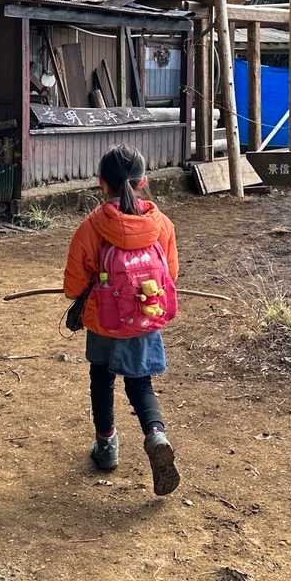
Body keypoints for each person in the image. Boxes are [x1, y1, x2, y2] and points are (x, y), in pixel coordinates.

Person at [63, 145, 182, 496]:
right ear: (143, 182)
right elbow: (171, 275)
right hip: (144, 316)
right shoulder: (162, 225)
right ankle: (156, 435)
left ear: (101, 183)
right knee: (140, 383)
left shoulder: (91, 228)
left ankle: (106, 447)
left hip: (103, 319)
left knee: (101, 380)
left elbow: (73, 287)